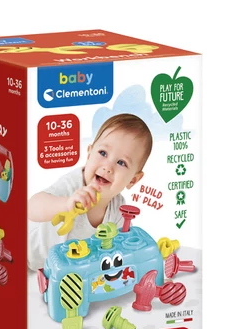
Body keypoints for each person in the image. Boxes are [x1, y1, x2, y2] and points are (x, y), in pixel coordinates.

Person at [28, 113, 153, 271]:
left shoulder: (119, 209)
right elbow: (31, 207)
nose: (108, 167)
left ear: (133, 180)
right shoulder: (73, 185)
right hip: (25, 254)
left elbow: (121, 247)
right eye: (103, 153)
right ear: (89, 154)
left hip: (60, 271)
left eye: (121, 162)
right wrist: (66, 204)